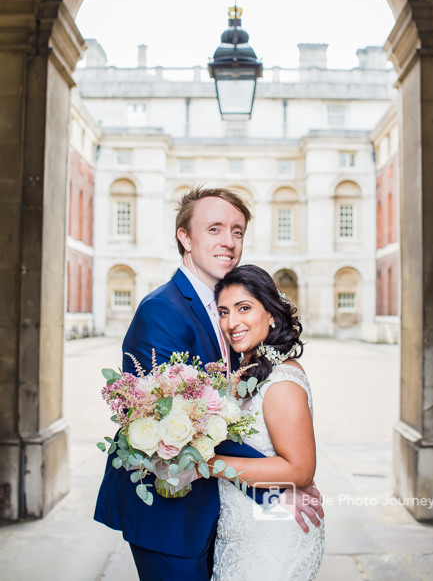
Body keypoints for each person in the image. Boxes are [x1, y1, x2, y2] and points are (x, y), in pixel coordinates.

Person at [94, 187, 323, 581]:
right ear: (185, 237)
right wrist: (281, 480)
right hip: (170, 516)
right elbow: (177, 424)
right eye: (215, 228)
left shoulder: (225, 308)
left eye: (237, 231)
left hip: (218, 510)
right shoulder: (162, 310)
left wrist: (288, 472)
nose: (229, 242)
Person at [211, 264, 325, 580]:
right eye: (223, 312)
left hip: (272, 538)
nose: (232, 322)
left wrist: (206, 465)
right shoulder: (244, 370)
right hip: (241, 527)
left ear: (271, 314)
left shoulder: (281, 383)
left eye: (243, 308)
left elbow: (299, 470)